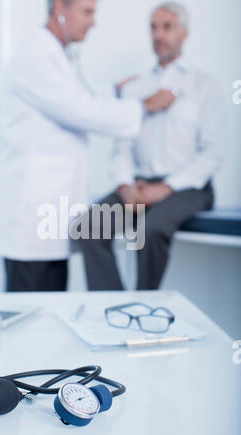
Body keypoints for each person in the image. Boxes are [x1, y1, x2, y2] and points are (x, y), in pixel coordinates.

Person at [0, 0, 175, 293]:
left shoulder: (57, 56)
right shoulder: (35, 57)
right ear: (60, 10)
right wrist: (143, 107)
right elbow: (80, 110)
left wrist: (114, 91)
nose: (93, 22)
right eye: (87, 12)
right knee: (27, 316)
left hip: (51, 212)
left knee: (50, 314)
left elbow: (75, 98)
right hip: (30, 217)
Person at [78, 2, 225, 291]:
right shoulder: (136, 88)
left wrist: (165, 188)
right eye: (153, 27)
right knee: (89, 226)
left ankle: (144, 308)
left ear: (184, 33)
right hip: (140, 187)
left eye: (167, 27)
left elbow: (213, 153)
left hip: (187, 188)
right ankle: (114, 307)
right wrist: (125, 188)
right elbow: (121, 148)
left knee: (150, 230)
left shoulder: (205, 87)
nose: (159, 35)